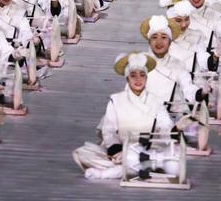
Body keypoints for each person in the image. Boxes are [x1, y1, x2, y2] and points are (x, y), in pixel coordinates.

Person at [72, 51, 191, 179]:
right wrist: (117, 150)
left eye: (142, 75)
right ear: (127, 78)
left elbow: (165, 126)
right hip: (122, 152)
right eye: (133, 75)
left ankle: (118, 170)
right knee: (81, 153)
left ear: (146, 77)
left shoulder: (156, 101)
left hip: (150, 151)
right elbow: (109, 131)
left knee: (170, 159)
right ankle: (133, 167)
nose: (138, 79)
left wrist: (176, 129)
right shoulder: (116, 100)